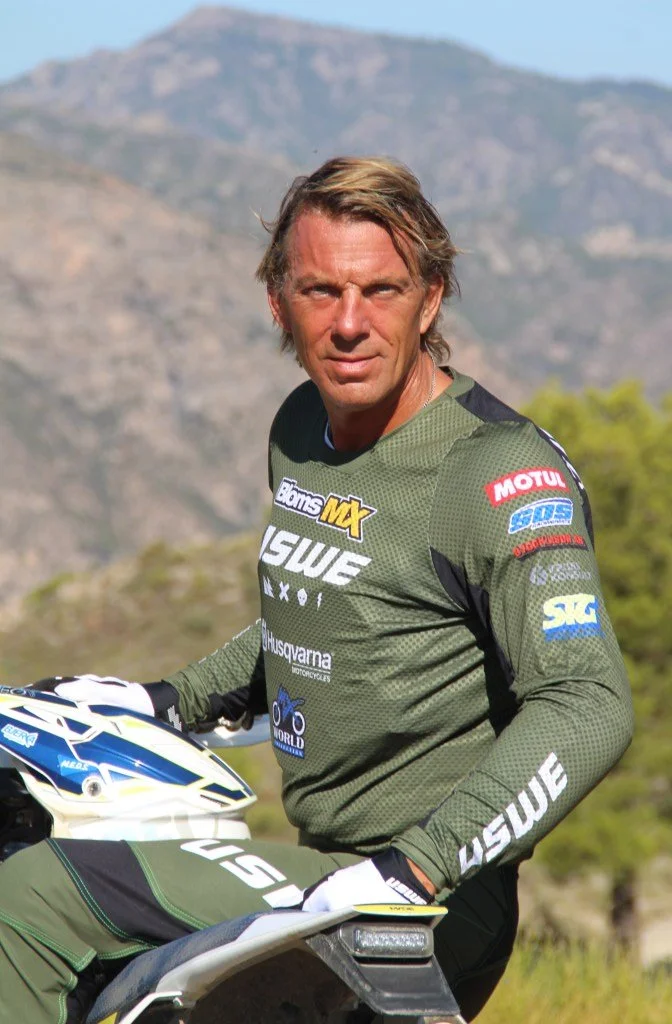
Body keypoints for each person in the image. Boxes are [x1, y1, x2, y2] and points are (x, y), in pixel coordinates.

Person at [0, 157, 633, 1023]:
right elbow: (330, 608)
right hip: (321, 864)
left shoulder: (498, 477)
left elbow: (589, 702)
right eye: (320, 291)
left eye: (382, 291)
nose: (350, 324)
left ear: (431, 300)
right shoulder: (301, 428)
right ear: (278, 303)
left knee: (35, 897)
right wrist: (167, 700)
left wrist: (416, 868)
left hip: (428, 901)